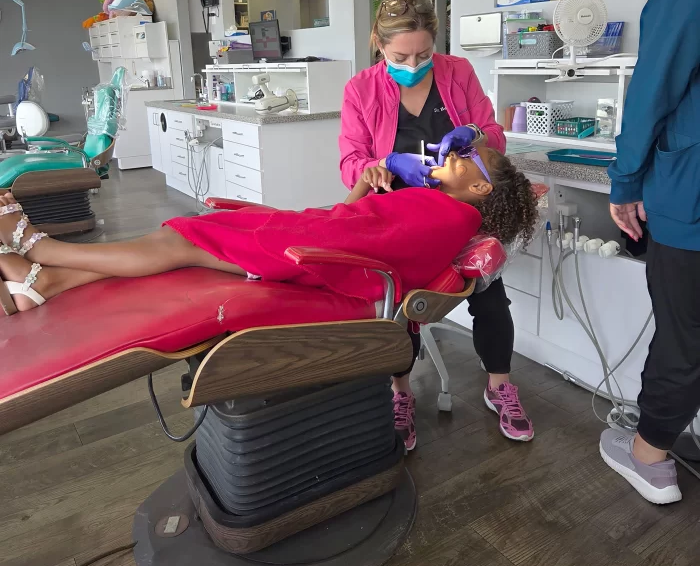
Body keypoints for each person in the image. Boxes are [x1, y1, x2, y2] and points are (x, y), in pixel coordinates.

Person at [0, 148, 537, 328]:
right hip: (312, 236)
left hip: (314, 255)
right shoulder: (438, 204)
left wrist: (288, 231)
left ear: (480, 186)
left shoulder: (450, 218)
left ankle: (43, 250)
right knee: (185, 237)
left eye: (467, 154)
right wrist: (359, 186)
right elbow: (354, 221)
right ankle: (46, 281)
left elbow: (372, 251)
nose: (453, 150)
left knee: (183, 240)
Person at [340, 0, 535, 449]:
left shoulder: (457, 73)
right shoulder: (362, 89)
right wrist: (379, 166)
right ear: (378, 43)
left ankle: (498, 386)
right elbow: (351, 160)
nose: (413, 64)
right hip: (399, 215)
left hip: (460, 214)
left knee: (489, 298)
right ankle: (400, 393)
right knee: (401, 310)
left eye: (424, 53)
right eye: (401, 55)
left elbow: (493, 136)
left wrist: (474, 132)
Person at [603, 0, 700, 505]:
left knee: (683, 338)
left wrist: (626, 178)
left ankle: (649, 453)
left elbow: (659, 73)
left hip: (689, 195)